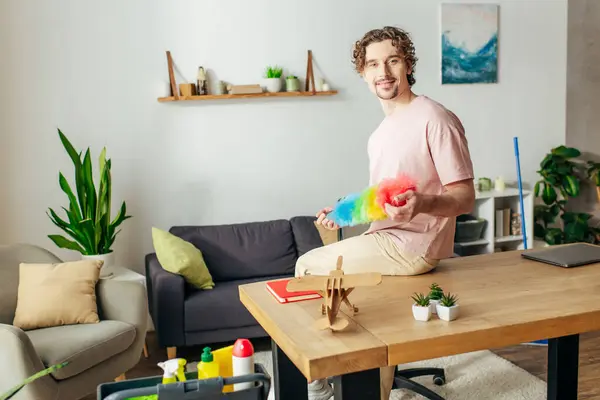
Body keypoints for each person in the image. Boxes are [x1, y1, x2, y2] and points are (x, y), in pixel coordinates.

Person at [298, 26, 476, 400]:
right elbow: (385, 198)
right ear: (363, 73)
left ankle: (318, 387)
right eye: (374, 63)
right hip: (386, 237)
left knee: (307, 267)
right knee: (366, 313)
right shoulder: (380, 133)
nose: (384, 71)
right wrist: (345, 209)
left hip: (414, 246)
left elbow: (463, 196)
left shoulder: (435, 118)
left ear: (408, 65)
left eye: (393, 60)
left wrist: (424, 203)